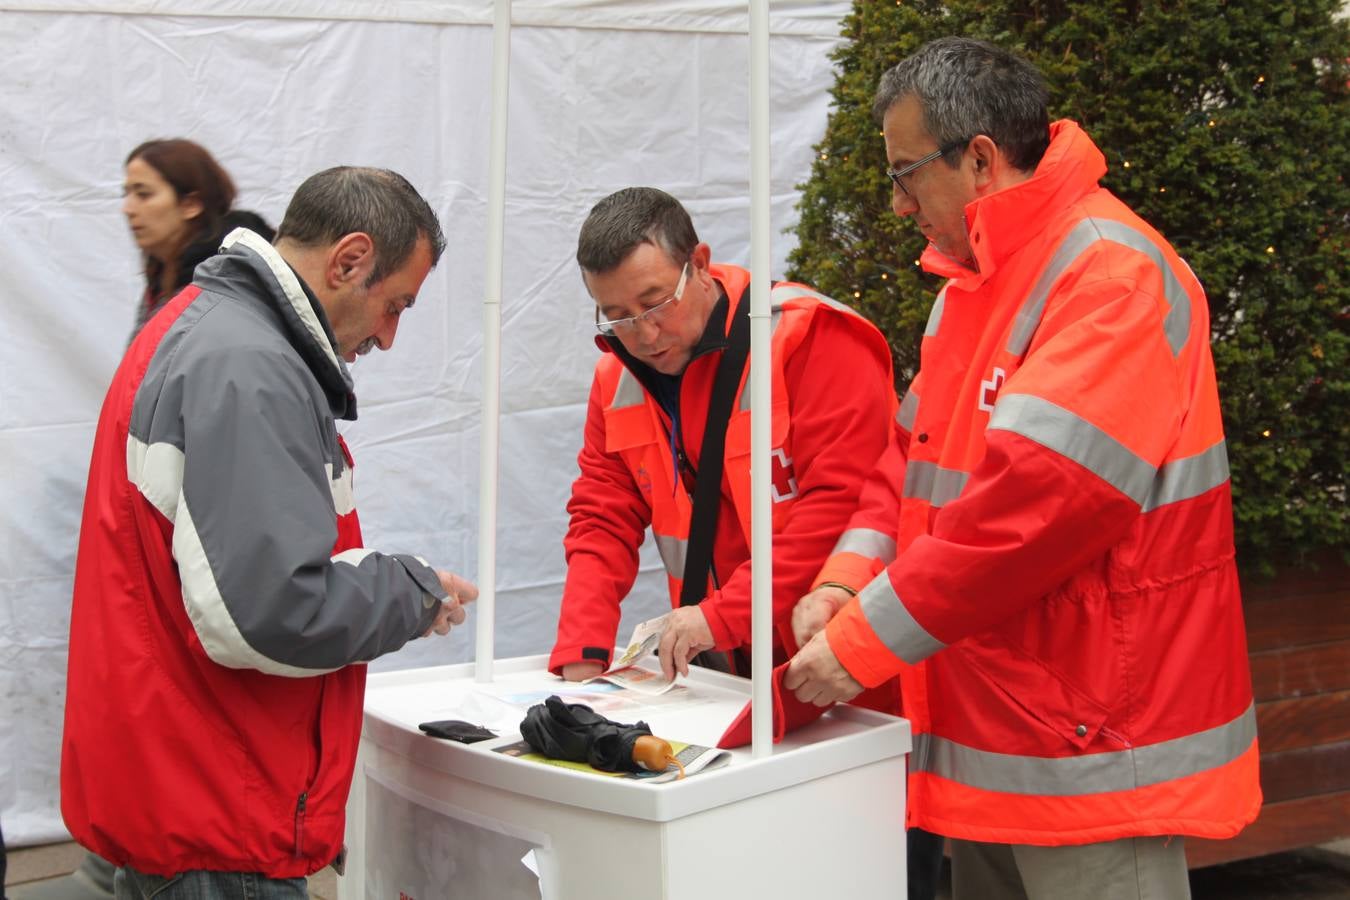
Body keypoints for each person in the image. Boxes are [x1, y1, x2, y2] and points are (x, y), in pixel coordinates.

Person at [785, 37, 1260, 899]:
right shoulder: (976, 286)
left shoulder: (1108, 274)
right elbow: (908, 464)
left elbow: (1037, 508)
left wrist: (862, 640)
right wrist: (847, 581)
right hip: (1011, 728)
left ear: (978, 159)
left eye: (904, 174)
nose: (897, 205)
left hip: (1094, 747)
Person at [61, 166, 476, 899]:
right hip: (219, 808)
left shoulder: (203, 325)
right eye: (395, 305)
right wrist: (408, 590)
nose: (388, 334)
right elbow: (267, 612)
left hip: (181, 788)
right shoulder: (249, 366)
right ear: (349, 261)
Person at [548, 186, 899, 686]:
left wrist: (721, 616)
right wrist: (583, 648)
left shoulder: (812, 337)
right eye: (619, 317)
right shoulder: (615, 377)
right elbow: (601, 518)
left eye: (656, 303)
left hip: (844, 661)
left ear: (700, 263)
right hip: (724, 673)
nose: (645, 336)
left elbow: (843, 506)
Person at [121, 138, 275, 341]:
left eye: (143, 194)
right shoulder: (163, 274)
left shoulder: (226, 286)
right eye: (126, 194)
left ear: (190, 204)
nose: (127, 209)